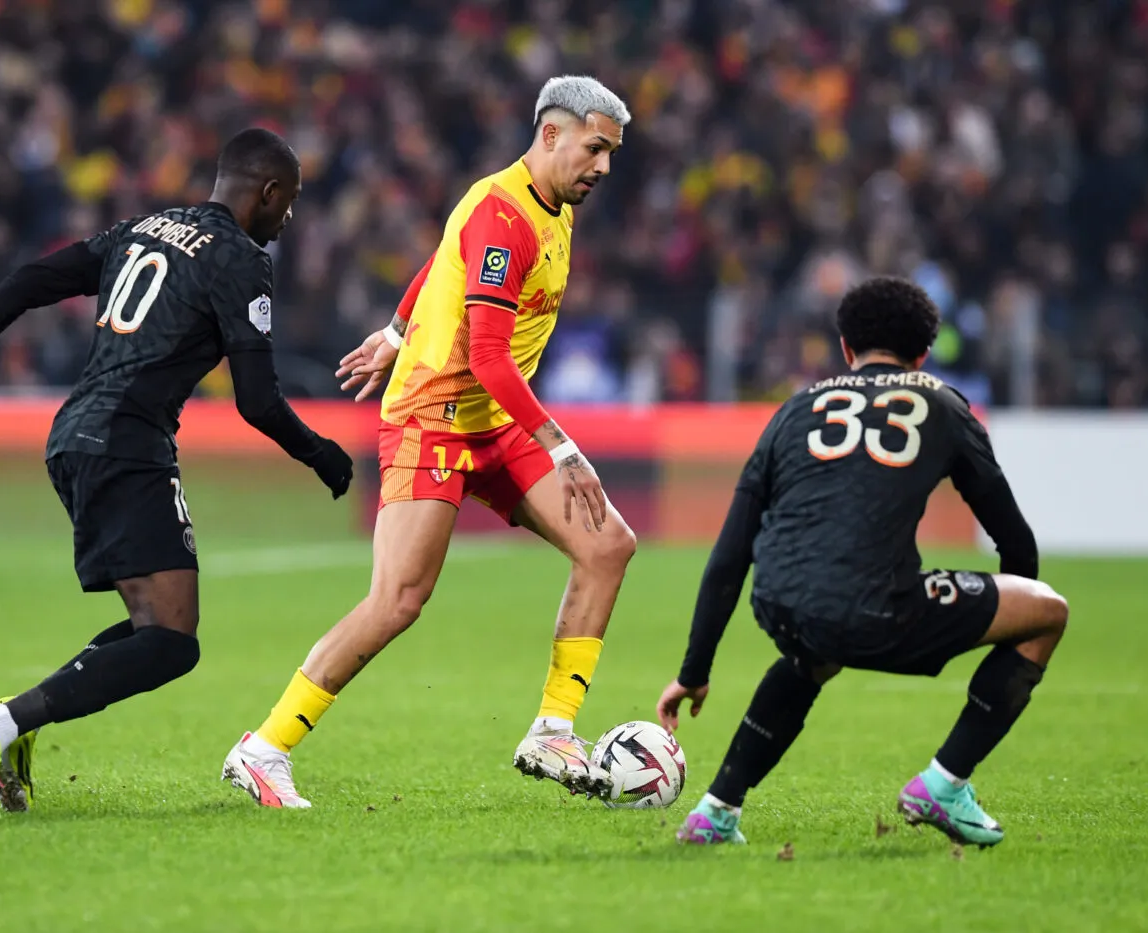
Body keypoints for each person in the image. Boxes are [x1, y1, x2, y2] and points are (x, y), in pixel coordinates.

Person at [0, 128, 354, 817]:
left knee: (156, 629)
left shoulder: (145, 227)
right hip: (126, 443)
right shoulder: (239, 259)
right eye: (288, 203)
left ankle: (11, 723)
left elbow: (28, 282)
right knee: (170, 640)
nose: (288, 219)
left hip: (76, 435)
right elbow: (257, 399)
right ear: (268, 192)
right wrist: (323, 453)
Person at [222, 76, 637, 808]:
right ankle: (263, 748)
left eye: (610, 153)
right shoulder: (503, 213)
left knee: (608, 545)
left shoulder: (551, 205)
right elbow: (487, 357)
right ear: (550, 135)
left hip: (494, 421)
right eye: (596, 148)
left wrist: (394, 326)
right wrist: (564, 447)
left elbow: (446, 257)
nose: (603, 166)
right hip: (436, 415)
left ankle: (552, 729)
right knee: (399, 600)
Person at [656, 277, 1068, 847]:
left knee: (813, 654)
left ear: (845, 349)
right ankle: (946, 783)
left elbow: (729, 555)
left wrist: (694, 671)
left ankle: (714, 813)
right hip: (875, 607)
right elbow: (1015, 542)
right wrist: (1001, 637)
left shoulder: (795, 407)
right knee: (1047, 611)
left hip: (779, 602)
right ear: (923, 355)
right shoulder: (943, 405)